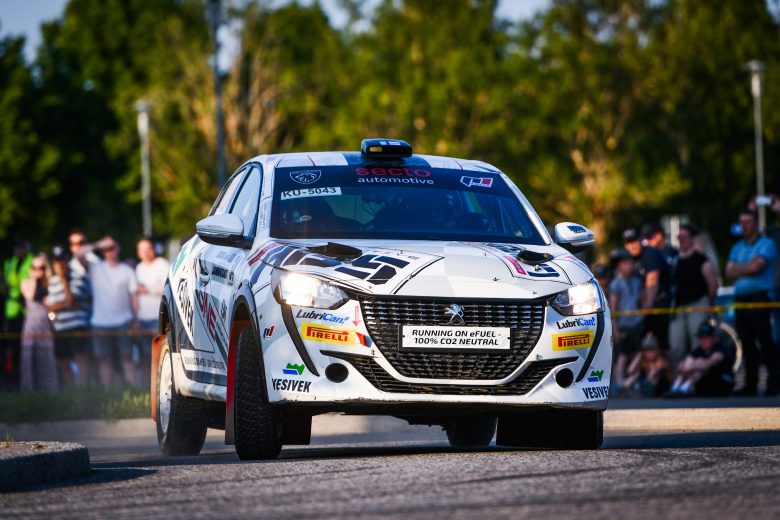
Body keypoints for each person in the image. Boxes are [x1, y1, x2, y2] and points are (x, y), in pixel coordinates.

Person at [726, 209, 779, 396]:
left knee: (764, 340)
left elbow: (757, 267)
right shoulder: (737, 246)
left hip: (759, 297)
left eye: (747, 222)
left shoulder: (766, 244)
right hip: (741, 299)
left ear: (756, 224)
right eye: (741, 223)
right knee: (746, 341)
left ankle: (774, 382)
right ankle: (750, 384)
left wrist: (740, 269)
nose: (744, 226)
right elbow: (728, 272)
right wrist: (747, 268)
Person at [77, 236, 138, 387]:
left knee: (127, 358)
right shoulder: (96, 268)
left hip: (124, 321)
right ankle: (107, 393)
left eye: (112, 247)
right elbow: (79, 254)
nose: (109, 251)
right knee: (104, 360)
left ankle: (133, 391)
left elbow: (134, 297)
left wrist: (135, 320)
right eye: (106, 249)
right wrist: (98, 244)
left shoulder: (127, 270)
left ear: (119, 248)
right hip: (100, 322)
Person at [668, 224, 719, 366]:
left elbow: (712, 285)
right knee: (676, 344)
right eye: (679, 237)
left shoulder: (701, 259)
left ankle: (696, 374)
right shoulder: (675, 260)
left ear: (692, 238)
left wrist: (710, 304)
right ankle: (680, 375)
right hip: (679, 307)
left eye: (684, 237)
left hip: (698, 304)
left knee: (697, 340)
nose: (681, 240)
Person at [48, 245, 92, 387]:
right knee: (63, 360)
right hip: (60, 328)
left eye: (62, 260)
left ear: (68, 260)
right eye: (56, 261)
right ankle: (71, 390)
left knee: (81, 359)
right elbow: (50, 308)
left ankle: (83, 390)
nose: (60, 264)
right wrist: (63, 307)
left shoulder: (79, 277)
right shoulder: (52, 281)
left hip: (78, 326)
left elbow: (71, 299)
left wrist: (64, 280)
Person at [623, 228, 672, 351]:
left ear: (641, 240)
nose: (632, 246)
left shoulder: (650, 254)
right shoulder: (631, 258)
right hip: (644, 306)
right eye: (629, 243)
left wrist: (646, 308)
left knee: (660, 344)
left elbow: (652, 281)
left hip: (660, 303)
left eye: (634, 241)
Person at [665, 321, 735, 397]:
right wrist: (685, 366)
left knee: (700, 365)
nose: (703, 340)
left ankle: (684, 388)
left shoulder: (720, 349)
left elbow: (708, 363)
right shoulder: (699, 349)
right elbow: (685, 363)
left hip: (723, 384)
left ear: (714, 338)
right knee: (693, 364)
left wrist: (690, 367)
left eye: (707, 337)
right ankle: (676, 387)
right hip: (706, 386)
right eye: (701, 338)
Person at [19, 254, 57, 391]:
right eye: (34, 267)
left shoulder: (51, 285)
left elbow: (52, 313)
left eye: (41, 268)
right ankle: (28, 393)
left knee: (47, 360)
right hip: (31, 326)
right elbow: (30, 296)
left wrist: (52, 318)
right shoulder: (25, 282)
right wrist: (35, 279)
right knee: (28, 360)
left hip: (45, 326)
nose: (37, 270)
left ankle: (49, 392)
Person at [608, 248, 643, 393]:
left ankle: (631, 380)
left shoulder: (637, 280)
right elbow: (613, 308)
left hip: (637, 322)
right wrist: (615, 329)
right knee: (622, 355)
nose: (630, 266)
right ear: (619, 266)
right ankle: (619, 383)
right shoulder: (615, 284)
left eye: (631, 263)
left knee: (638, 352)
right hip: (623, 325)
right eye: (626, 264)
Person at [135, 237, 169, 387]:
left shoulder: (162, 264)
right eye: (142, 250)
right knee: (145, 354)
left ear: (154, 249)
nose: (146, 252)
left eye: (148, 249)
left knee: (161, 354)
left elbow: (167, 290)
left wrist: (148, 290)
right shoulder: (139, 268)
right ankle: (148, 385)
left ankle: (161, 385)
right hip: (143, 318)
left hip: (158, 318)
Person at [1, 238, 33, 389]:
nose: (19, 250)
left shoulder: (32, 261)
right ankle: (13, 379)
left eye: (22, 247)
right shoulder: (9, 264)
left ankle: (26, 380)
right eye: (16, 248)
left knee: (27, 346)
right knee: (12, 345)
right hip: (12, 309)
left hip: (30, 309)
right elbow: (5, 285)